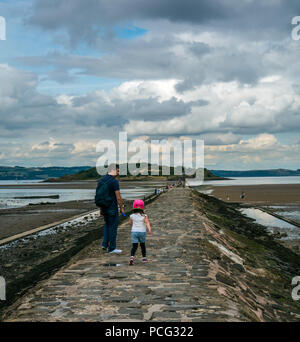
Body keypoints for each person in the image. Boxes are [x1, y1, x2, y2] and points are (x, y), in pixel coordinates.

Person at [99, 164, 125, 254]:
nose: (118, 172)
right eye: (118, 170)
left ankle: (104, 244)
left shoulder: (102, 180)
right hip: (112, 208)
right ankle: (112, 248)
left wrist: (101, 209)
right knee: (113, 228)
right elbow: (118, 197)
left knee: (107, 226)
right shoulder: (114, 182)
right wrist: (121, 208)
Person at [129, 199, 152, 265]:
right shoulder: (144, 215)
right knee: (142, 245)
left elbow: (130, 223)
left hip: (134, 232)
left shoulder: (132, 216)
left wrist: (132, 227)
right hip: (142, 232)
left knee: (134, 246)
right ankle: (144, 258)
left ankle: (131, 258)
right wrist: (149, 229)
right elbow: (147, 223)